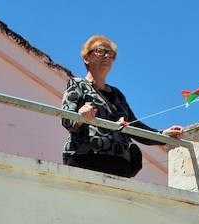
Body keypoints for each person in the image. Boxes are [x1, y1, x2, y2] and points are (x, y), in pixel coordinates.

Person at [61, 35, 183, 178]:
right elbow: (66, 119)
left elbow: (135, 127)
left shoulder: (117, 94)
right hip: (87, 160)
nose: (106, 56)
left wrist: (162, 135)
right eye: (100, 51)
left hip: (118, 166)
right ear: (86, 58)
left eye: (111, 54)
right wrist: (80, 116)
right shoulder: (77, 84)